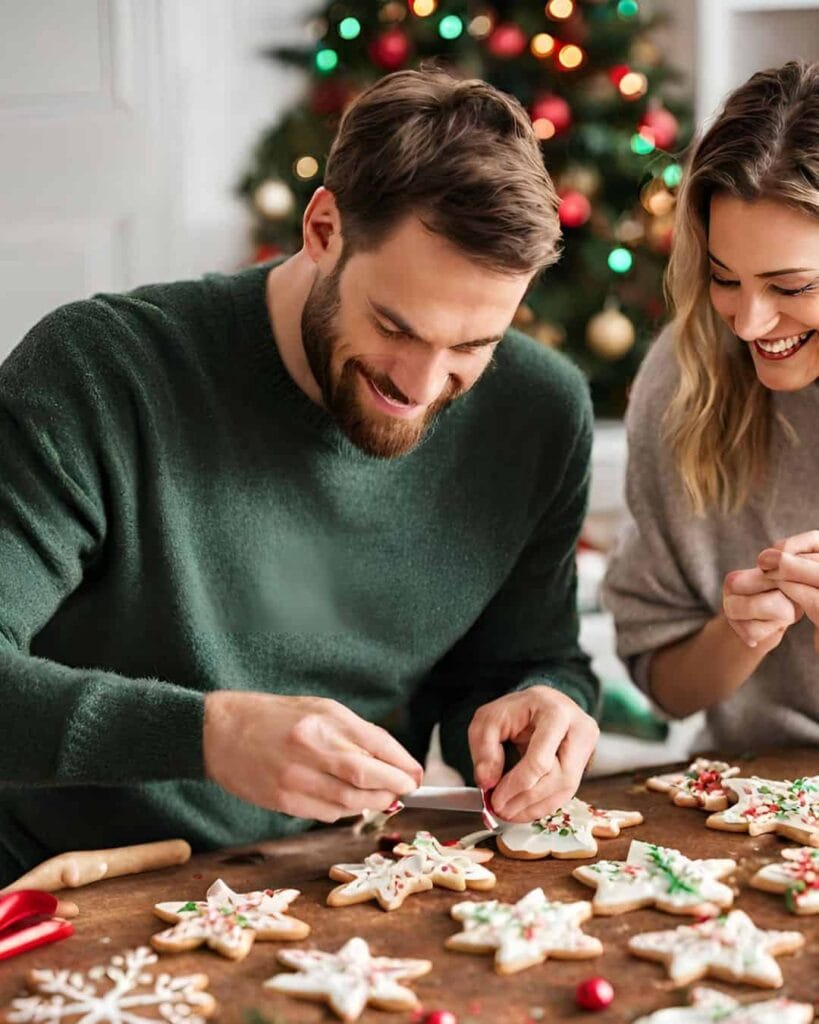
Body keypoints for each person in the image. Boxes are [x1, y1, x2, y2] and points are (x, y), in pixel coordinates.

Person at [0, 69, 599, 884]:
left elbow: (520, 663)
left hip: (331, 884)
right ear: (323, 228)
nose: (420, 390)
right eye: (394, 325)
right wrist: (207, 735)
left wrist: (540, 712)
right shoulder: (102, 371)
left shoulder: (538, 411)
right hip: (67, 884)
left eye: (472, 346)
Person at [604, 59, 819, 751]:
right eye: (725, 278)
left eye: (791, 287)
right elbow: (665, 686)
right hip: (749, 799)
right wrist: (739, 628)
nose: (750, 324)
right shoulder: (687, 377)